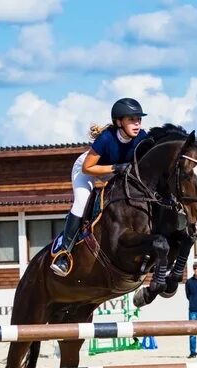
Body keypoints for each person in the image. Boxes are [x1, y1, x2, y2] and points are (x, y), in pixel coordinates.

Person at [50, 97, 149, 276]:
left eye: (139, 119)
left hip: (116, 171)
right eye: (132, 120)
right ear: (119, 122)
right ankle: (64, 254)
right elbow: (88, 167)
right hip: (87, 169)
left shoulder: (142, 138)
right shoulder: (106, 138)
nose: (137, 124)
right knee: (82, 202)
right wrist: (116, 168)